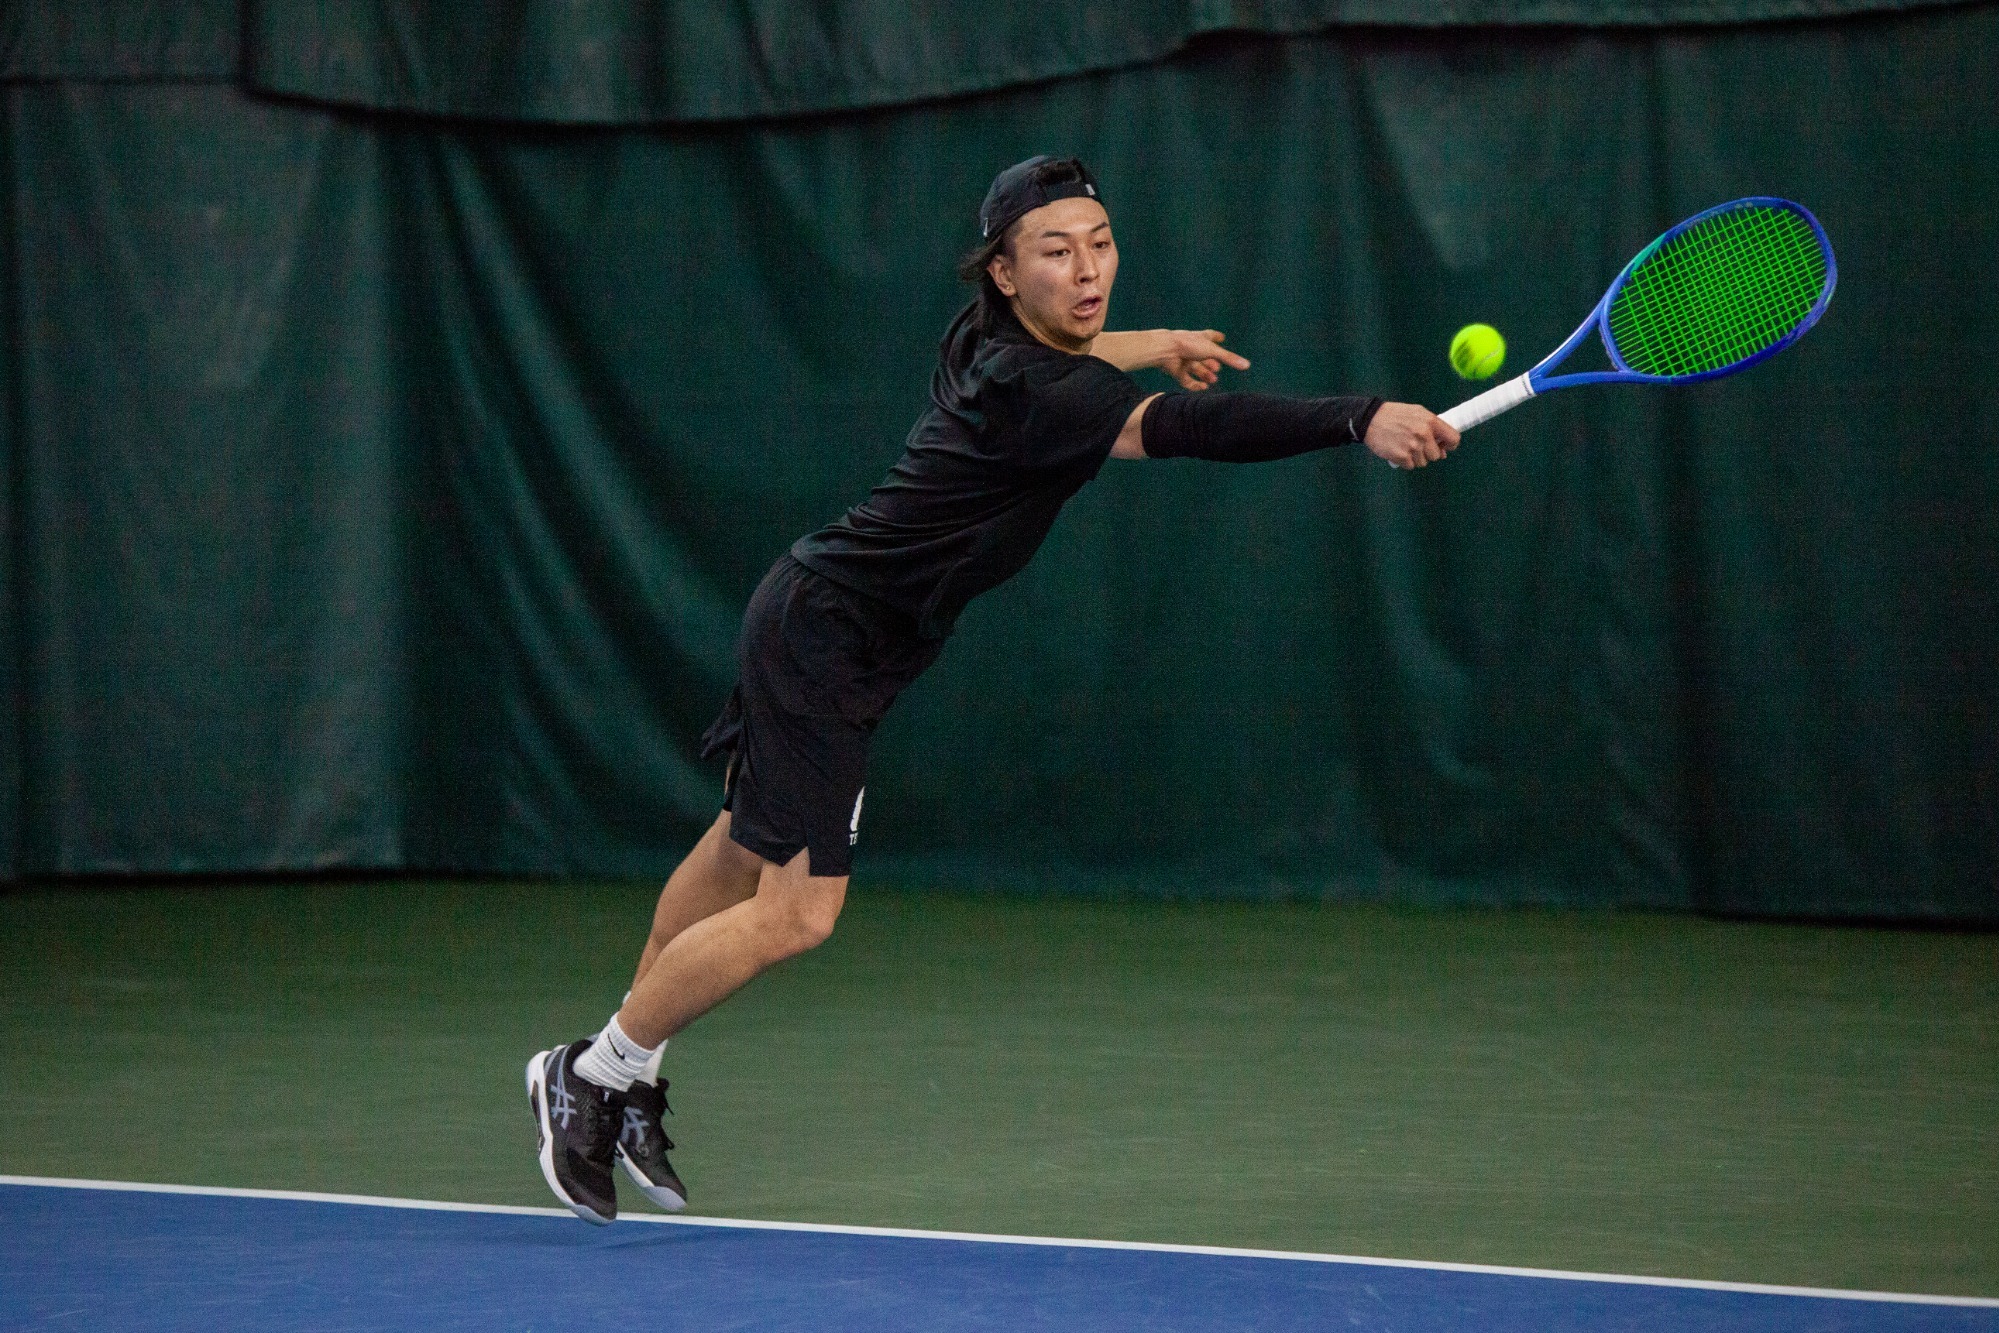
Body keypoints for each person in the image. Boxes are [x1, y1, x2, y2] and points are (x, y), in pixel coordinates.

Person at [526, 155, 1461, 1224]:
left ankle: (631, 1077)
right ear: (1005, 274)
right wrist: (1359, 416)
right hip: (826, 638)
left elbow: (1090, 355)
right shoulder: (1047, 391)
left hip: (833, 624)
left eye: (1099, 242)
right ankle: (591, 1072)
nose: (1086, 268)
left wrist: (1152, 342)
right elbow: (1186, 429)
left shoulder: (993, 343)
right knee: (797, 912)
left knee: (740, 848)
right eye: (1054, 252)